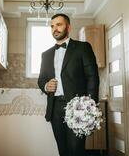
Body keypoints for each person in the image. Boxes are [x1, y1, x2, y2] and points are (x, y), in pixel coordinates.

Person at [38, 13, 99, 156]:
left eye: (59, 24)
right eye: (52, 26)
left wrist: (89, 107)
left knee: (76, 150)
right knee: (63, 150)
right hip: (55, 108)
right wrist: (46, 86)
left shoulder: (83, 48)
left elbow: (92, 77)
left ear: (68, 27)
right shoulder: (45, 55)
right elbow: (41, 80)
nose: (55, 29)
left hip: (78, 107)